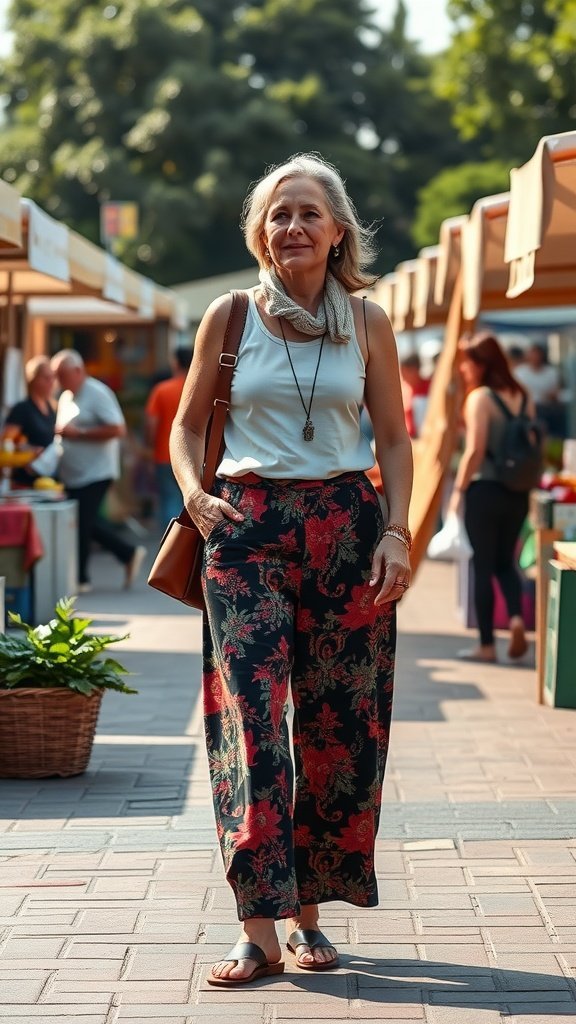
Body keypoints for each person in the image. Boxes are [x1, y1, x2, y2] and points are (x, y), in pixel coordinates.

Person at [170, 153, 413, 987]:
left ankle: (308, 914)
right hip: (244, 528)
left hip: (348, 527)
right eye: (278, 214)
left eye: (308, 212)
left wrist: (399, 533)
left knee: (338, 727)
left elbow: (395, 439)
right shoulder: (229, 315)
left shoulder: (367, 322)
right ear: (260, 232)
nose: (292, 227)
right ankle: (257, 926)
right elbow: (184, 425)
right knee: (251, 722)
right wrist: (197, 497)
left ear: (337, 229)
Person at [448, 332, 535, 664]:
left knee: (481, 566)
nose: (463, 369)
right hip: (517, 491)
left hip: (485, 490)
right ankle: (515, 620)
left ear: (481, 362)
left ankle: (486, 646)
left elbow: (476, 450)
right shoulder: (523, 396)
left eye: (466, 362)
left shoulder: (480, 398)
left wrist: (459, 490)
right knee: (505, 563)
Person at [51, 350, 146, 593]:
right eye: (56, 376)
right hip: (73, 472)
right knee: (82, 522)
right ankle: (126, 554)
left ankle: (81, 578)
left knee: (82, 523)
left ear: (78, 371)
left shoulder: (97, 393)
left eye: (62, 375)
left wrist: (79, 434)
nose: (59, 381)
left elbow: (117, 429)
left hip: (96, 471)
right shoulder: (65, 396)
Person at [145, 346, 193, 526]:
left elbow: (151, 424)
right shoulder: (199, 389)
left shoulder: (162, 390)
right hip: (194, 454)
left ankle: (171, 543)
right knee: (190, 499)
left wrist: (149, 448)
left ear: (175, 363)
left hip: (165, 455)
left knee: (168, 500)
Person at [4, 356, 57, 485]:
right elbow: (6, 442)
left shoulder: (51, 407)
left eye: (52, 377)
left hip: (48, 477)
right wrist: (29, 450)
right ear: (33, 379)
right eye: (46, 378)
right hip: (25, 479)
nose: (50, 382)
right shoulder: (22, 409)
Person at [514, 342, 564, 437]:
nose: (535, 357)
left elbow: (557, 392)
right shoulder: (520, 372)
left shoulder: (551, 372)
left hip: (547, 410)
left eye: (537, 354)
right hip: (526, 411)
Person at [399, 352, 430, 438]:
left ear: (415, 369)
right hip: (411, 439)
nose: (403, 376)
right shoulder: (402, 390)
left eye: (405, 371)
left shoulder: (431, 386)